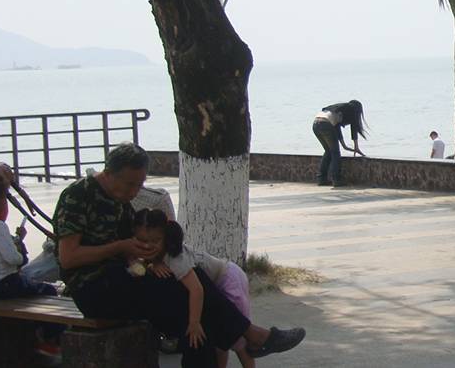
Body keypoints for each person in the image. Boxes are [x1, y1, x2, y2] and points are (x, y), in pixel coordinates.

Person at [53, 143, 304, 367]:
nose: (134, 191)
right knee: (185, 293)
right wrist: (121, 248)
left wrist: (150, 257)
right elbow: (69, 258)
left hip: (127, 278)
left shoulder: (121, 202)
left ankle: (251, 336)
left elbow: (134, 247)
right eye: (130, 184)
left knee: (196, 317)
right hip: (95, 289)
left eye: (139, 185)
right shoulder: (78, 197)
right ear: (108, 174)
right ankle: (253, 336)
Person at [135, 210, 257, 368]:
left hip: (228, 279)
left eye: (155, 241)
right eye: (142, 240)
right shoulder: (156, 255)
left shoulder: (175, 257)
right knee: (219, 340)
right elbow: (139, 266)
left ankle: (256, 339)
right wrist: (152, 264)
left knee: (237, 338)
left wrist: (194, 323)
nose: (148, 245)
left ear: (166, 238)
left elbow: (197, 290)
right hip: (210, 285)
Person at [0, 172, 63, 356]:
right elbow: (14, 259)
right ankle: (50, 339)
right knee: (48, 292)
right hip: (3, 284)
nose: (5, 206)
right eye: (3, 200)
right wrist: (20, 250)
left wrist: (17, 240)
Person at [312, 100, 367, 186]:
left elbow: (337, 127)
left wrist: (344, 145)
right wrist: (354, 146)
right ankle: (336, 179)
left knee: (328, 151)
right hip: (326, 124)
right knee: (335, 153)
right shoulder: (352, 109)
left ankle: (321, 179)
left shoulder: (339, 107)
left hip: (316, 124)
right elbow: (353, 129)